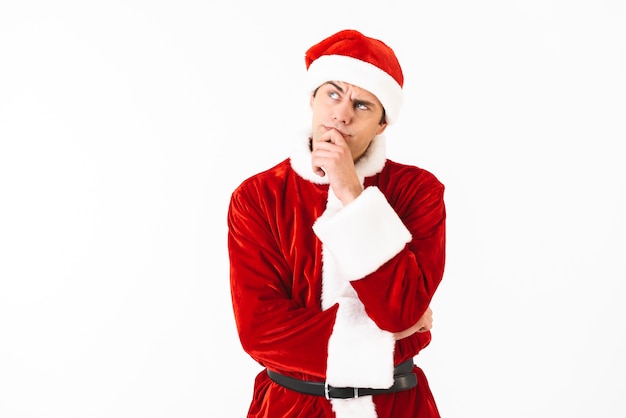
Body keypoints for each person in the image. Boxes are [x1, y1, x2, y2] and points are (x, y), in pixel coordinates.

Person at [228, 29, 446, 418]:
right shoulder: (258, 197)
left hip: (397, 406)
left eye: (362, 105)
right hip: (290, 407)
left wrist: (352, 195)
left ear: (382, 124)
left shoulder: (418, 191)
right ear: (312, 98)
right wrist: (382, 337)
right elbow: (260, 332)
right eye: (333, 93)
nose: (342, 113)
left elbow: (402, 311)